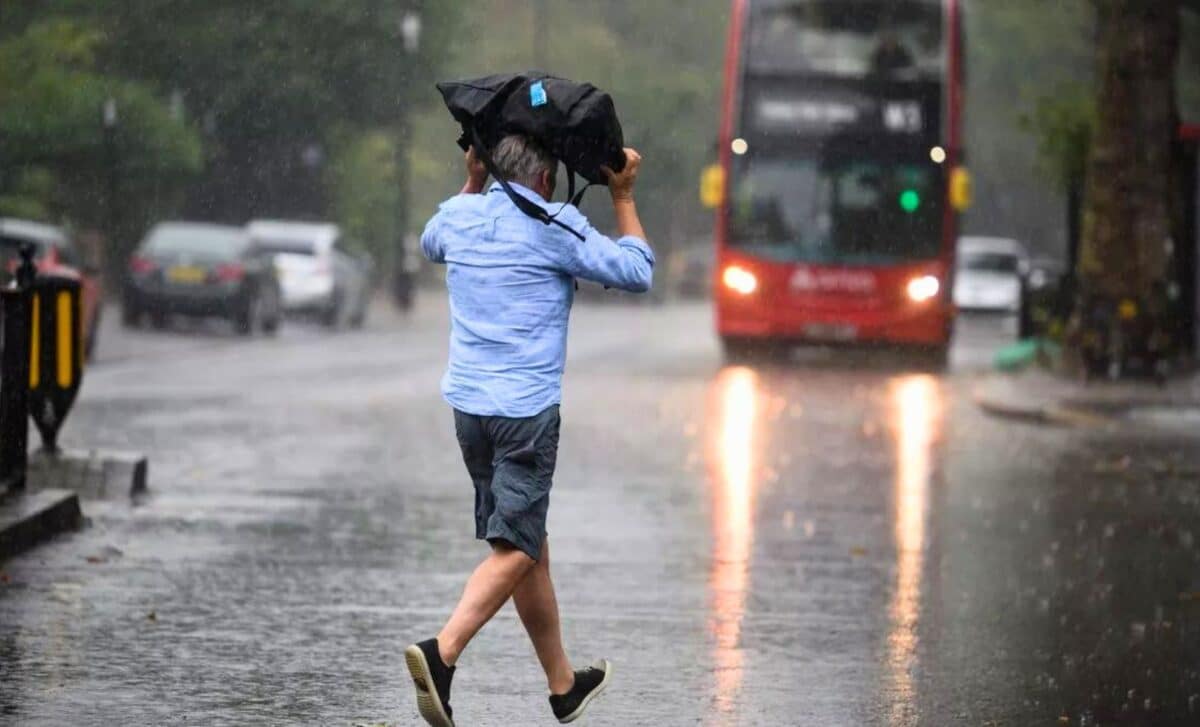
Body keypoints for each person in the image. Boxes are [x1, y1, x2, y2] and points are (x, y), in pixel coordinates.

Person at [406, 134, 653, 727]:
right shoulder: (555, 223)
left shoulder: (460, 214)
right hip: (524, 413)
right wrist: (622, 196)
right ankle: (442, 654)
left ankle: (563, 685)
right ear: (545, 178)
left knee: (526, 547)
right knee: (517, 546)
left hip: (470, 411)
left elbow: (429, 242)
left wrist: (471, 181)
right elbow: (637, 271)